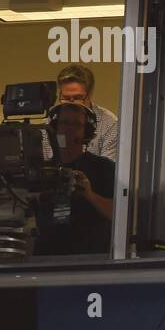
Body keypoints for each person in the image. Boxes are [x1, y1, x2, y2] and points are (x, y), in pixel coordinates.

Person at [35, 102, 115, 256]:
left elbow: (118, 214)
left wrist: (90, 195)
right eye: (64, 123)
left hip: (89, 258)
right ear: (54, 127)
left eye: (76, 124)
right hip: (45, 257)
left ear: (86, 132)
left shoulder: (104, 167)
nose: (69, 129)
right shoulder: (41, 170)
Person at [52, 64, 119, 160]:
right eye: (66, 98)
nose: (71, 104)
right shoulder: (51, 121)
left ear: (90, 95)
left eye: (77, 98)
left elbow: (109, 171)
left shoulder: (110, 124)